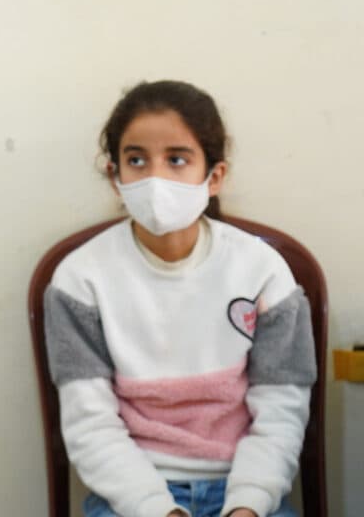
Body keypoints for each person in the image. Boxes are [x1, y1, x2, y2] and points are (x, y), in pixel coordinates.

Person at [43, 80, 315, 517]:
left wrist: (247, 504)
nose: (155, 179)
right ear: (116, 176)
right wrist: (157, 509)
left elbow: (282, 414)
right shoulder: (79, 280)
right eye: (136, 160)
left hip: (244, 492)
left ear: (214, 176)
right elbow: (89, 424)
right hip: (133, 499)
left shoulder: (263, 271)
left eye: (176, 159)